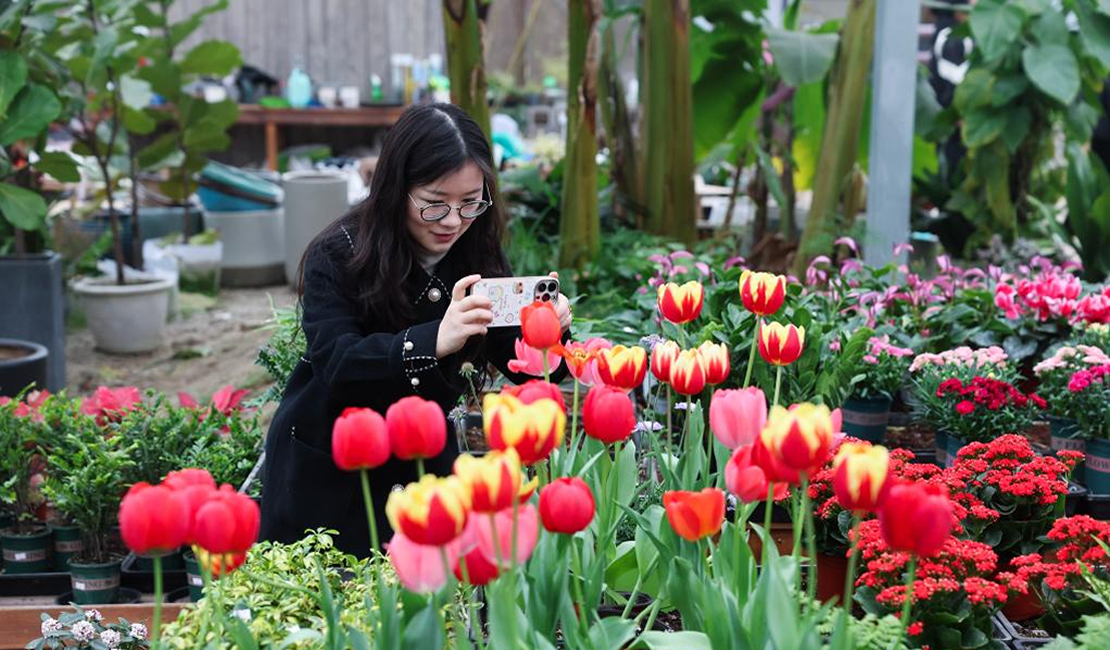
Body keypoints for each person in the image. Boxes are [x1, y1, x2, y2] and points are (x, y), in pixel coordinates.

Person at [259, 103, 571, 556]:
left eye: (470, 202)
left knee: (429, 598)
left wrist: (547, 333)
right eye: (434, 205)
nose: (452, 221)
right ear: (395, 190)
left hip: (422, 461)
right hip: (334, 462)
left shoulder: (475, 249)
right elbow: (337, 360)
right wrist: (432, 341)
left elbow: (522, 362)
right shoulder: (340, 252)